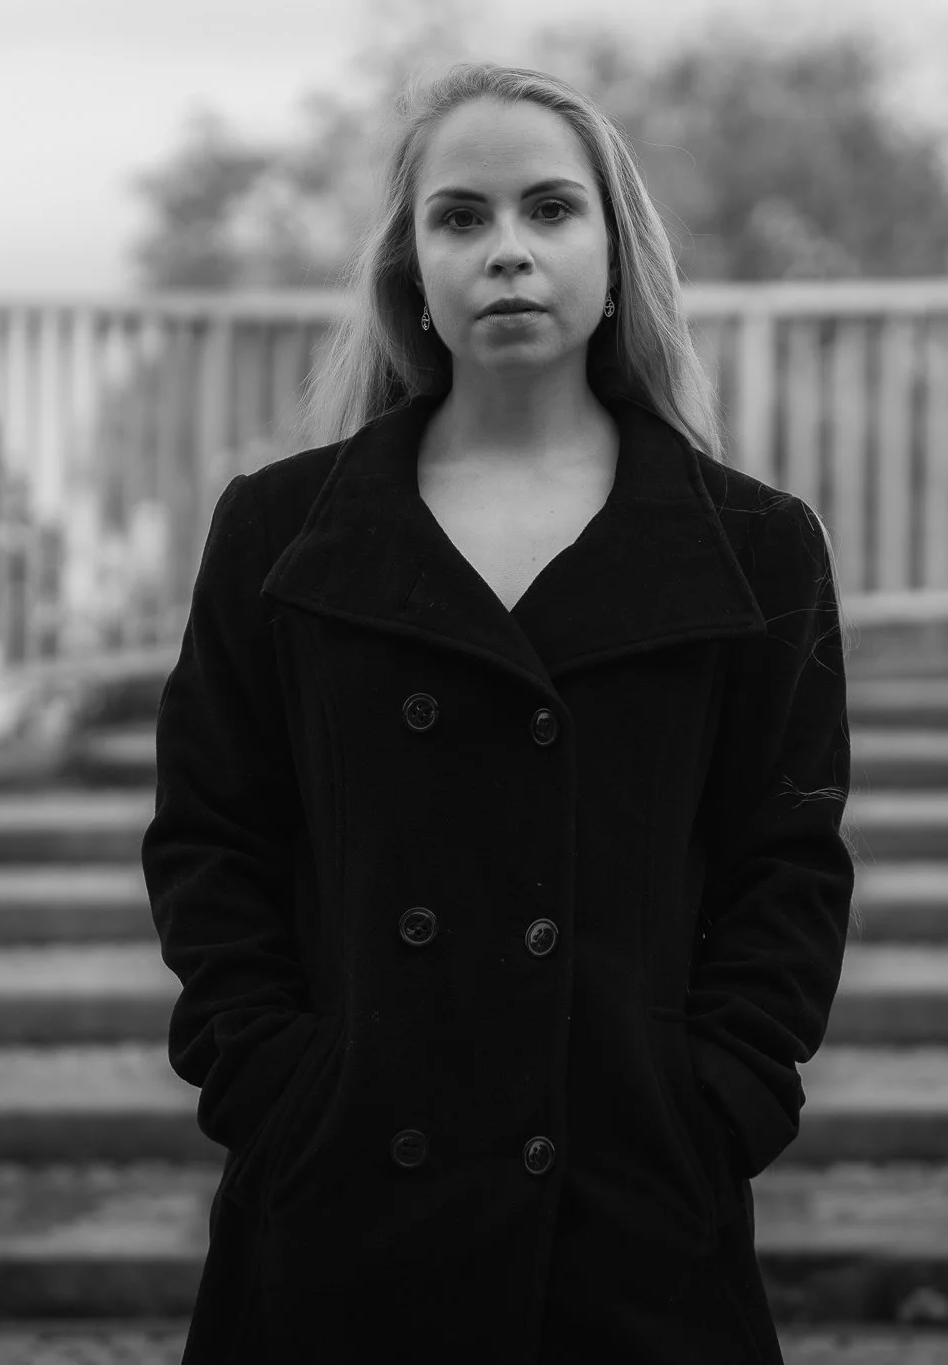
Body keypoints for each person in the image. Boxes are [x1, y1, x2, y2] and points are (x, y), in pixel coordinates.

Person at [142, 59, 854, 1365]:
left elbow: (784, 866)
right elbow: (211, 839)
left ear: (614, 250)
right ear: (410, 266)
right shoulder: (284, 533)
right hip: (344, 1211)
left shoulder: (753, 549)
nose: (508, 251)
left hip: (632, 1212)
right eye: (461, 217)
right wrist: (276, 1088)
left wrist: (723, 1104)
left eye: (549, 211)